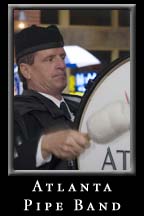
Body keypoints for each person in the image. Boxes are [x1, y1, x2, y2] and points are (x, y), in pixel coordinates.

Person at [14, 24, 90, 170]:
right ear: (26, 70)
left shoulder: (82, 104)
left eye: (62, 57)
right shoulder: (16, 114)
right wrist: (45, 145)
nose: (62, 65)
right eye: (50, 59)